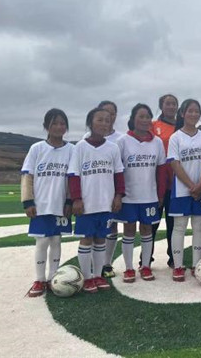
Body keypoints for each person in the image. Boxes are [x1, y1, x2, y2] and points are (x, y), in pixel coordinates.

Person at [68, 107, 125, 293]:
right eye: (99, 120)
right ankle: (87, 277)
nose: (104, 124)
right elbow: (74, 175)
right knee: (86, 239)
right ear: (90, 122)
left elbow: (118, 174)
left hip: (106, 203)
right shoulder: (80, 147)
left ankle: (98, 275)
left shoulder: (113, 148)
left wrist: (118, 196)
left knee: (101, 239)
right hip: (87, 203)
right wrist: (76, 199)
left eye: (107, 120)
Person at [21, 109, 74, 297]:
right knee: (42, 240)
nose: (59, 127)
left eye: (62, 123)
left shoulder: (71, 149)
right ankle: (39, 279)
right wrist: (28, 201)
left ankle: (53, 277)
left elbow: (72, 178)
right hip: (41, 204)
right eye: (54, 123)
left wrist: (70, 201)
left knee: (56, 239)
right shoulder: (37, 148)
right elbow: (27, 175)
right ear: (46, 126)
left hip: (61, 204)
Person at [115, 104, 168, 282]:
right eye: (141, 116)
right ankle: (129, 268)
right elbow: (117, 171)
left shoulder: (157, 142)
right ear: (133, 119)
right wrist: (118, 194)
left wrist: (160, 194)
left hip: (149, 196)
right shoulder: (123, 141)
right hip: (128, 196)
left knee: (147, 230)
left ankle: (145, 266)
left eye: (148, 117)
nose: (145, 120)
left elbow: (161, 170)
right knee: (129, 230)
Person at [167, 99, 201, 281]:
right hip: (181, 190)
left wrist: (200, 184)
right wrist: (192, 185)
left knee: (199, 227)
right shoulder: (175, 137)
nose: (193, 114)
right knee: (179, 227)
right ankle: (178, 266)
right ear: (182, 113)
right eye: (190, 111)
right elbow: (174, 163)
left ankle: (196, 264)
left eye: (196, 111)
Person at [82, 101, 124, 280]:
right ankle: (91, 271)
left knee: (110, 228)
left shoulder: (119, 140)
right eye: (103, 115)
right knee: (89, 234)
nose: (108, 119)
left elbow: (119, 170)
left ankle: (106, 264)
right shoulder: (84, 141)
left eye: (112, 114)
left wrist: (119, 194)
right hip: (90, 197)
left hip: (109, 195)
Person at [150, 94, 179, 268]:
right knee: (152, 223)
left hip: (177, 183)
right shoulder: (153, 126)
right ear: (161, 106)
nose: (171, 106)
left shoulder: (181, 126)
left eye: (174, 103)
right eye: (168, 103)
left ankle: (174, 257)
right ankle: (146, 259)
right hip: (157, 182)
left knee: (173, 224)